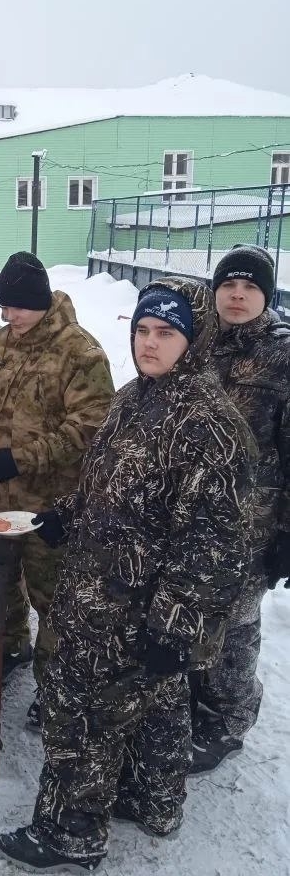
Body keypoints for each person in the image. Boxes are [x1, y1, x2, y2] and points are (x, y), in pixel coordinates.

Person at [0, 277, 255, 873]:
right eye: (141, 330)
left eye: (165, 333)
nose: (149, 343)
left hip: (140, 605)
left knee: (79, 713)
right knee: (157, 705)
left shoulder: (210, 426)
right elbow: (104, 485)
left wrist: (174, 626)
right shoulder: (135, 399)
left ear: (193, 341)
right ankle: (154, 800)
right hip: (102, 587)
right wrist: (62, 517)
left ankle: (70, 833)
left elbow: (213, 544)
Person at [0, 252, 114, 718]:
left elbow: (90, 426)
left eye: (18, 307)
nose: (9, 317)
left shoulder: (81, 353)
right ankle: (11, 649)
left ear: (41, 301)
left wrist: (22, 459)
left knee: (54, 595)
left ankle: (56, 686)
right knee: (0, 580)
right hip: (0, 494)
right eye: (4, 307)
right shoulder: (3, 343)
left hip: (52, 499)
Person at [189, 246, 290, 773]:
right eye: (228, 284)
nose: (236, 294)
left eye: (249, 287)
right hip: (192, 516)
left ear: (265, 296)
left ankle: (227, 721)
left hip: (252, 523)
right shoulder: (202, 346)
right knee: (195, 613)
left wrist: (287, 536)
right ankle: (196, 701)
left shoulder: (284, 355)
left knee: (235, 625)